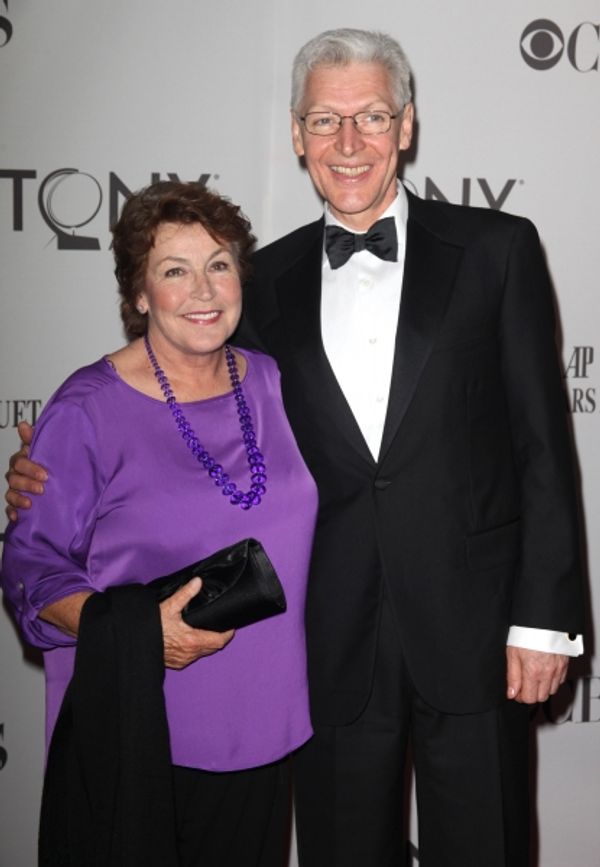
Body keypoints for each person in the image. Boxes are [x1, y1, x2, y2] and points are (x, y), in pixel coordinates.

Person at [5, 27, 585, 867]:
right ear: (295, 133)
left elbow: (542, 445)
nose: (348, 144)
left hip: (477, 631)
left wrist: (545, 620)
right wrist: (47, 471)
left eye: (371, 117)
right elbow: (187, 414)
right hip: (322, 644)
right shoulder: (260, 281)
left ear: (408, 125)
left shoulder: (497, 250)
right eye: (324, 121)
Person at [1, 181, 318, 867]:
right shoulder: (88, 407)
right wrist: (142, 632)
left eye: (220, 264)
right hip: (143, 732)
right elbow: (31, 567)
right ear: (139, 293)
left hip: (266, 727)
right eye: (175, 270)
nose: (203, 290)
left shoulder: (272, 380)